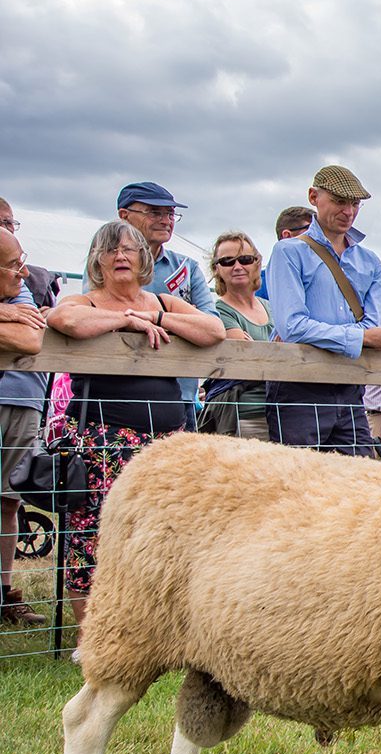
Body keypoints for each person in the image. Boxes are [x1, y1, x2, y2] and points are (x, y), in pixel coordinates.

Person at [47, 221, 224, 625]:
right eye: (111, 251)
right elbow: (67, 322)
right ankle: (90, 635)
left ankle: (152, 627)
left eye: (129, 249)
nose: (121, 256)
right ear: (98, 261)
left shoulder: (161, 300)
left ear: (144, 258)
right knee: (92, 532)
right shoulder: (86, 302)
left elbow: (212, 329)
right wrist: (126, 321)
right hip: (102, 438)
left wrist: (157, 317)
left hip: (164, 440)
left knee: (164, 531)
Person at [263, 165, 381, 455]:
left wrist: (353, 336)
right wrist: (360, 339)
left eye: (355, 204)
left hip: (349, 385)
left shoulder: (370, 262)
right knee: (298, 482)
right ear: (314, 197)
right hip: (300, 384)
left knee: (358, 480)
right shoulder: (288, 251)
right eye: (340, 201)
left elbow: (372, 325)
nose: (349, 211)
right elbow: (292, 326)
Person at [116, 181, 219, 429]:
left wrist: (153, 319)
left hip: (181, 395)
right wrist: (182, 324)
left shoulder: (186, 267)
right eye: (155, 212)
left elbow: (211, 323)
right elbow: (103, 313)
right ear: (124, 216)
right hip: (120, 395)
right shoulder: (104, 263)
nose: (166, 220)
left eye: (170, 213)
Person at [0, 225, 48, 626]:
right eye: (14, 266)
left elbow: (30, 340)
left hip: (19, 398)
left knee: (7, 500)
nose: (23, 272)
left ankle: (3, 596)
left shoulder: (22, 289)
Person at [198, 231, 274, 440]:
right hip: (243, 417)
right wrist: (275, 348)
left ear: (257, 263)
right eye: (227, 261)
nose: (238, 266)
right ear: (217, 269)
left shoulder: (272, 308)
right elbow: (245, 357)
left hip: (280, 413)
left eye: (245, 259)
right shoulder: (218, 312)